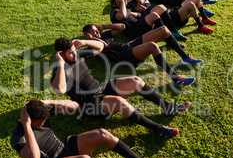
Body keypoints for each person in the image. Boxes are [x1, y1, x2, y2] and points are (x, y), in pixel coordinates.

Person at [51, 38, 191, 135]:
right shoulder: (59, 71)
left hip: (101, 90)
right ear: (61, 55)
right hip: (90, 105)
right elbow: (60, 89)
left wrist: (83, 42)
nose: (74, 54)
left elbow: (102, 47)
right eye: (70, 52)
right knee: (119, 102)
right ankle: (158, 129)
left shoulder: (77, 54)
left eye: (73, 50)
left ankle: (168, 107)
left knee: (135, 80)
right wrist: (61, 64)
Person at [11, 99, 166, 158]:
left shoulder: (40, 114)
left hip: (64, 147)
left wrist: (49, 103)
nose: (45, 122)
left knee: (102, 133)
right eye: (42, 121)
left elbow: (74, 106)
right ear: (31, 120)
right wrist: (27, 126)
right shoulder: (18, 137)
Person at [82, 23, 202, 86]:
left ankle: (185, 58)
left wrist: (103, 26)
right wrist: (91, 39)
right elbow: (99, 48)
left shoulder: (105, 34)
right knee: (152, 46)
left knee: (163, 29)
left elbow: (122, 27)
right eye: (93, 31)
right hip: (124, 56)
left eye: (96, 30)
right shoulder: (91, 46)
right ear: (87, 35)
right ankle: (176, 78)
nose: (96, 32)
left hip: (128, 46)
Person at [128, 0, 217, 34]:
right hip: (171, 17)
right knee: (190, 4)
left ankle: (204, 18)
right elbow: (137, 7)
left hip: (173, 10)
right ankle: (200, 26)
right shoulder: (138, 1)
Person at [109, 0, 188, 41]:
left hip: (141, 22)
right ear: (114, 0)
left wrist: (137, 12)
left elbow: (142, 2)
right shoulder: (114, 11)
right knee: (158, 9)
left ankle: (173, 33)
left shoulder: (128, 6)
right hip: (135, 30)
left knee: (160, 8)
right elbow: (123, 16)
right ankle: (173, 33)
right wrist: (123, 2)